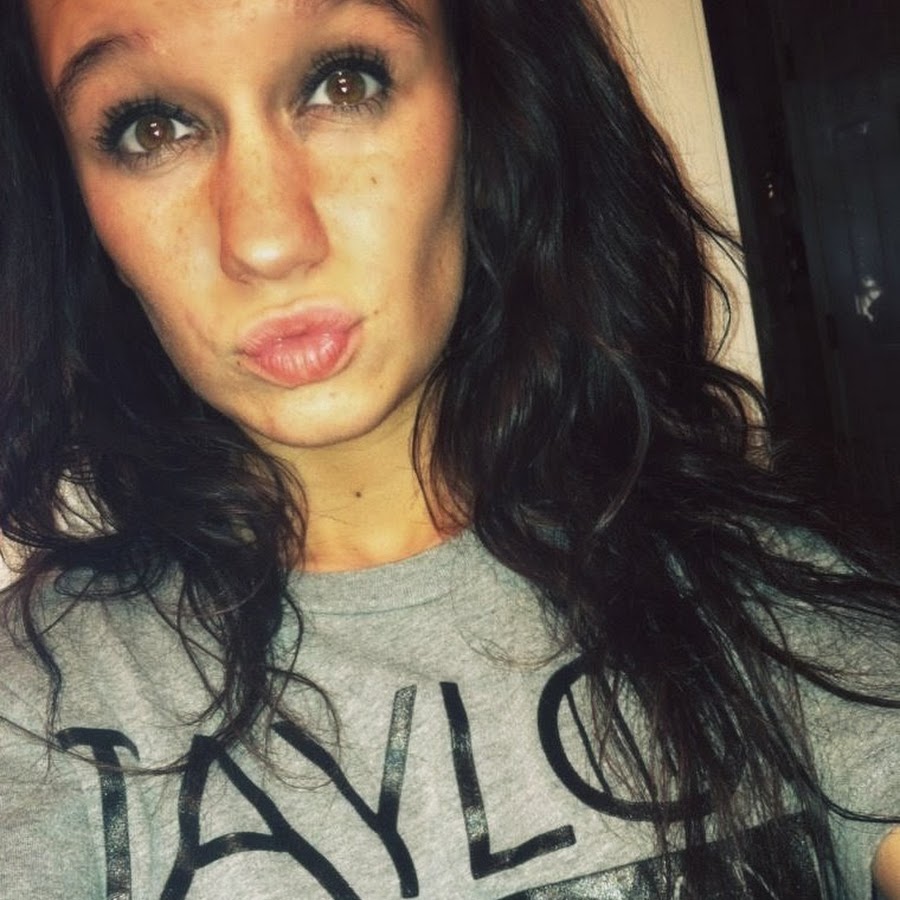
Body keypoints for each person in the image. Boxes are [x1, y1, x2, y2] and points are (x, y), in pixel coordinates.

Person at [0, 0, 897, 897]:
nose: (267, 241)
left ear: (486, 104)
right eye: (151, 128)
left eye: (342, 82)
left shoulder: (778, 608)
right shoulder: (31, 715)